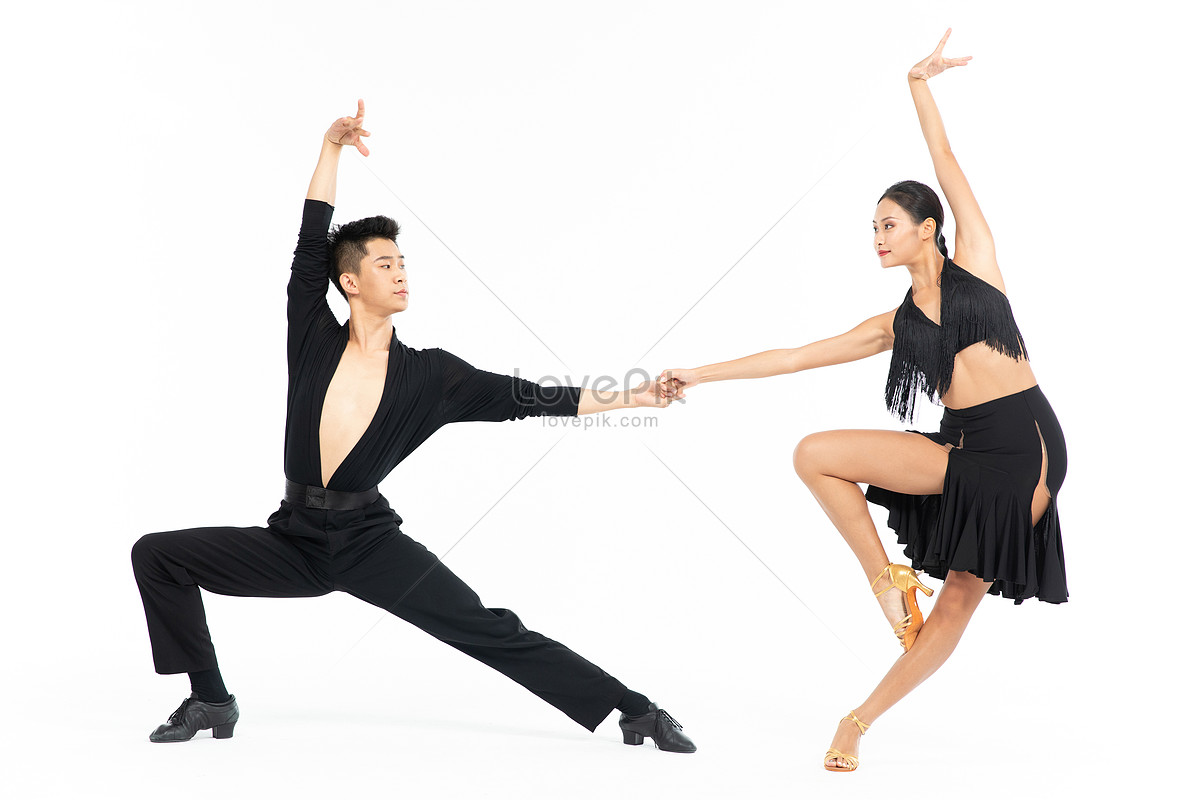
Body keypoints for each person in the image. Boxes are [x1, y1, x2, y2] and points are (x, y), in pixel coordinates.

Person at [131, 100, 696, 753]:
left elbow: (538, 398)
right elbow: (310, 240)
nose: (400, 273)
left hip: (368, 543)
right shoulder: (311, 337)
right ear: (348, 281)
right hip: (293, 539)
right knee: (158, 554)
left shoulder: (434, 377)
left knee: (487, 628)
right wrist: (332, 148)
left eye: (403, 263)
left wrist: (635, 396)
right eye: (383, 263)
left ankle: (635, 709)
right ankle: (210, 699)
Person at [657, 30, 1067, 771]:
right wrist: (699, 373)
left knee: (958, 604)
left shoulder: (978, 263)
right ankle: (888, 584)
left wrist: (919, 84)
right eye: (871, 227)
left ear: (927, 229)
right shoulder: (893, 324)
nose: (876, 237)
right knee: (815, 454)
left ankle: (856, 721)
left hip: (1025, 453)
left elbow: (947, 162)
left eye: (887, 225)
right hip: (963, 447)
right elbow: (794, 356)